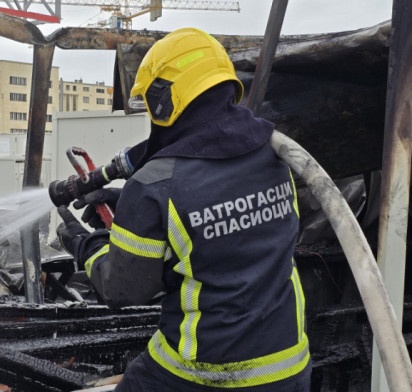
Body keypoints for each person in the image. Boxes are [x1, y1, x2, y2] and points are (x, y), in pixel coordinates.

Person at [56, 28, 310, 391]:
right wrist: (127, 202)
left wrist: (85, 244)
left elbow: (122, 291)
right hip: (289, 368)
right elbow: (227, 229)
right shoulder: (273, 155)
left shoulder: (155, 185)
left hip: (202, 373)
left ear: (164, 101)